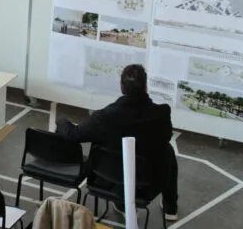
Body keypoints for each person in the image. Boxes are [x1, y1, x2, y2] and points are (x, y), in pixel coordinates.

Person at [55, 64, 178, 221]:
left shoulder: (105, 117)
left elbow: (73, 135)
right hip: (148, 182)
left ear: (121, 86)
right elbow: (165, 138)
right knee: (168, 151)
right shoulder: (162, 113)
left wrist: (61, 121)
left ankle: (121, 203)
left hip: (106, 178)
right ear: (146, 86)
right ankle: (170, 206)